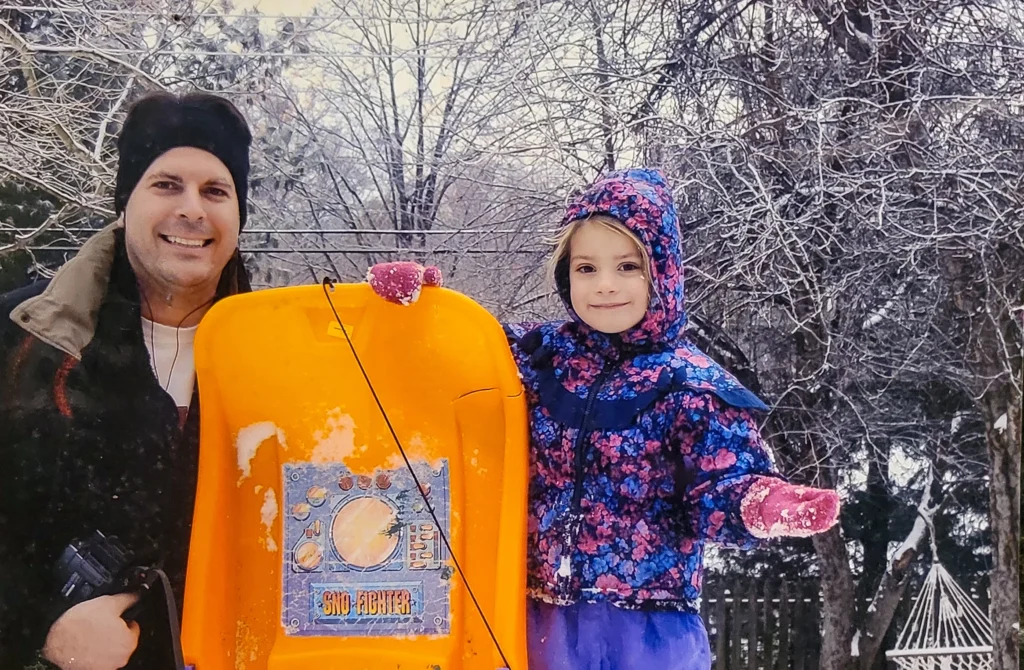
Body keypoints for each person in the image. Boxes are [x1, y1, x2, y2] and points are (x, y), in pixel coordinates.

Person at [367, 168, 841, 669]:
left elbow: (717, 486)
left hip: (647, 631)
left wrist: (762, 503)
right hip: (532, 619)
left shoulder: (689, 384)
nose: (605, 285)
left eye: (628, 267)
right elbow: (451, 362)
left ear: (663, 273)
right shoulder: (535, 356)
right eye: (586, 268)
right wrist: (421, 314)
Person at [0, 91, 253, 670]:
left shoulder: (284, 357)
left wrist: (399, 334)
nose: (192, 209)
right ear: (124, 202)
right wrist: (41, 635)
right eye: (166, 184)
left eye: (216, 191)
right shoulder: (21, 342)